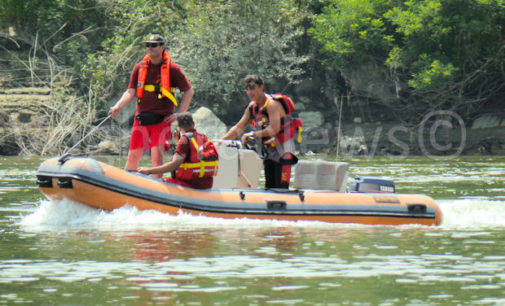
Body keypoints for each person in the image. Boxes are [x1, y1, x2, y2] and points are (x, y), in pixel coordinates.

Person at [110, 34, 194, 178]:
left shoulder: (172, 69)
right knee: (133, 155)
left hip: (162, 119)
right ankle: (127, 183)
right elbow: (130, 92)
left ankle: (157, 187)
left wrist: (179, 114)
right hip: (141, 118)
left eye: (153, 45)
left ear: (162, 47)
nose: (150, 48)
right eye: (147, 45)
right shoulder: (139, 68)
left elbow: (189, 91)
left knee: (157, 156)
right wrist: (118, 106)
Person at [222, 75, 302, 189]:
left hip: (283, 150)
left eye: (253, 87)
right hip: (269, 150)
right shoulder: (252, 107)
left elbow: (274, 129)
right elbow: (238, 128)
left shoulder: (272, 104)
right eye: (247, 89)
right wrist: (220, 142)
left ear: (261, 87)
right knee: (269, 186)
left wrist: (252, 134)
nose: (250, 92)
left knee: (280, 188)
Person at [138, 112, 218, 189]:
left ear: (179, 127)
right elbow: (193, 154)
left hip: (190, 185)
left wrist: (148, 171)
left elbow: (174, 165)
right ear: (193, 124)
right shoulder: (203, 137)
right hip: (206, 185)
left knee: (158, 183)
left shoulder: (184, 141)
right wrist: (178, 143)